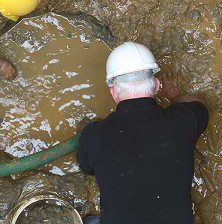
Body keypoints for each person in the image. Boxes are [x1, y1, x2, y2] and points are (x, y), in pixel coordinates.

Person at [76, 42, 209, 224]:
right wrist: (174, 96)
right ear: (156, 85)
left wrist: (86, 133)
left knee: (91, 221)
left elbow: (87, 167)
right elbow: (199, 104)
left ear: (114, 93)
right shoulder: (184, 121)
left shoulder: (93, 136)